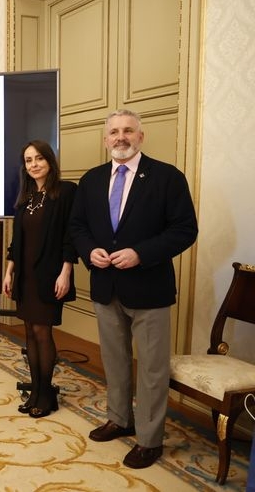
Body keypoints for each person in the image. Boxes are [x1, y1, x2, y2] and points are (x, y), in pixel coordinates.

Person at [69, 109, 198, 469]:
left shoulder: (167, 177)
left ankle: (149, 439)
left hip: (149, 287)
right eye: (114, 132)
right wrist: (88, 249)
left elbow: (184, 230)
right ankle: (119, 418)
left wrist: (141, 253)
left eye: (128, 131)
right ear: (105, 138)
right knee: (115, 360)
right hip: (105, 285)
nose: (120, 137)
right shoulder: (91, 180)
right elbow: (77, 227)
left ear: (141, 136)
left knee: (153, 368)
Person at [2, 140, 77, 419]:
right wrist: (9, 271)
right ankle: (35, 391)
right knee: (30, 333)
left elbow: (71, 235)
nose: (33, 165)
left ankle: (47, 395)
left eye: (39, 159)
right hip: (25, 275)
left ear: (50, 161)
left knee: (43, 333)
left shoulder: (67, 192)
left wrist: (66, 272)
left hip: (50, 274)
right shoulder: (25, 198)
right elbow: (17, 240)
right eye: (28, 160)